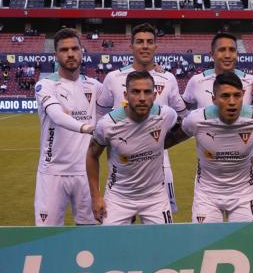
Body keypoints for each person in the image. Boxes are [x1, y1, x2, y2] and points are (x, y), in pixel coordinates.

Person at [96, 23, 187, 214]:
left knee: (162, 227)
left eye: (149, 42)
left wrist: (164, 141)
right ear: (131, 46)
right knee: (121, 225)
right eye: (139, 42)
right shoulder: (113, 78)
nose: (145, 46)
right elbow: (100, 116)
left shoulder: (168, 78)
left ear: (156, 46)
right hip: (122, 167)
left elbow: (182, 117)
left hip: (159, 162)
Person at [175, 72, 253, 223]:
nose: (232, 102)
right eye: (225, 96)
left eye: (237, 96)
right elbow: (172, 138)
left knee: (247, 244)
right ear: (213, 99)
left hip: (244, 196)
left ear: (243, 95)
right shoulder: (196, 120)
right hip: (207, 196)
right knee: (206, 244)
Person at [87, 71, 179, 225]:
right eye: (135, 92)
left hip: (155, 197)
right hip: (119, 197)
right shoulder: (107, 125)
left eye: (147, 92)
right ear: (126, 95)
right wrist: (96, 197)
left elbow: (182, 129)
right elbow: (91, 155)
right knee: (110, 247)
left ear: (155, 95)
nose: (142, 98)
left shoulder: (167, 115)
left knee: (164, 245)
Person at [34, 28, 101, 226]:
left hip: (86, 172)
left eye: (74, 48)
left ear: (82, 51)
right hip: (52, 172)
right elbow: (56, 115)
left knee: (91, 234)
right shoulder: (45, 85)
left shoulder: (95, 86)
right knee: (47, 236)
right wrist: (87, 128)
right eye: (64, 50)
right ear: (56, 55)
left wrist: (152, 71)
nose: (70, 54)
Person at [182, 32, 253, 109]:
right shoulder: (196, 81)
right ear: (212, 55)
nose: (227, 55)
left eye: (232, 50)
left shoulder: (252, 82)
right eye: (222, 50)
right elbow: (183, 108)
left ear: (237, 54)